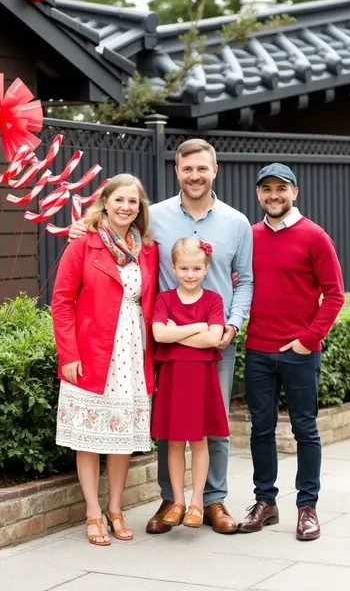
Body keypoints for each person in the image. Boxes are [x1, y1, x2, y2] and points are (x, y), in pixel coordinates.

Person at [69, 138, 254, 535]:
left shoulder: (236, 222)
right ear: (177, 171)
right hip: (162, 343)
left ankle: (213, 501)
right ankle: (171, 499)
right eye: (187, 169)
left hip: (215, 341)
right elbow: (110, 236)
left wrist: (233, 325)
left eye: (202, 168)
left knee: (213, 425)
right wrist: (82, 227)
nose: (195, 175)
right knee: (166, 424)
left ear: (214, 170)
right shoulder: (155, 220)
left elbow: (246, 281)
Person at [237, 163, 345, 541]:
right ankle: (265, 502)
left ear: (294, 192)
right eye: (266, 189)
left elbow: (334, 294)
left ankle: (307, 507)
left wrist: (308, 340)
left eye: (281, 188)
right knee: (260, 430)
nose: (274, 195)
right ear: (258, 195)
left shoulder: (315, 236)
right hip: (258, 350)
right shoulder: (249, 237)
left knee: (305, 430)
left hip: (300, 353)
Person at [51, 173, 158, 546]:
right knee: (90, 438)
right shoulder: (84, 244)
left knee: (122, 436)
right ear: (105, 203)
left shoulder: (147, 248)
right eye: (119, 200)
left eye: (133, 202)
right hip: (94, 352)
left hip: (133, 352)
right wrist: (69, 354)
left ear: (139, 207)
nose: (126, 207)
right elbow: (62, 302)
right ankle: (93, 511)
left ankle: (115, 508)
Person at [151, 238, 229, 529]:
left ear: (206, 268)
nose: (189, 274)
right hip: (173, 378)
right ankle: (177, 501)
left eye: (196, 268)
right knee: (173, 442)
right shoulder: (165, 299)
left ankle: (197, 502)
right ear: (173, 267)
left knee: (199, 441)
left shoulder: (213, 300)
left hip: (200, 378)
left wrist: (180, 332)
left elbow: (213, 338)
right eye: (183, 268)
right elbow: (159, 335)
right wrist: (199, 327)